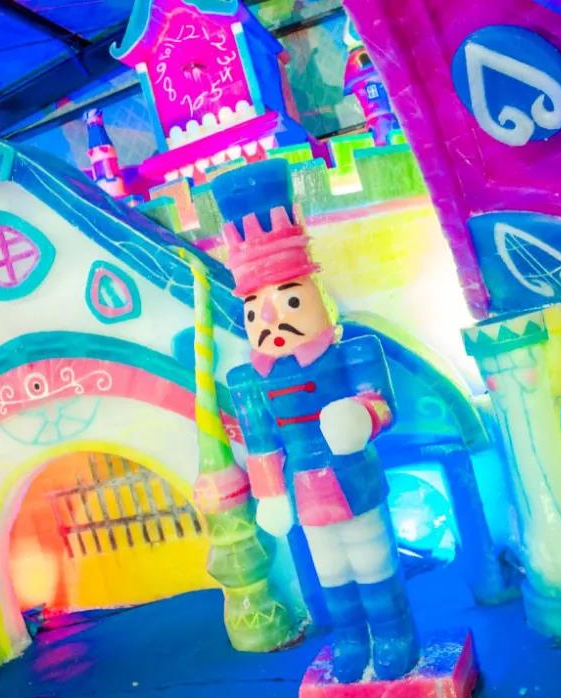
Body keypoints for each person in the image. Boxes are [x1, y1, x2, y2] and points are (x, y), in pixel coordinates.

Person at [212, 160, 418, 682]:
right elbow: (262, 441)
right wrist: (270, 493)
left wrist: (360, 417)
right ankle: (350, 640)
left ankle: (393, 633)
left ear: (314, 294)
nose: (272, 319)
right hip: (304, 490)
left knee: (372, 558)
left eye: (289, 300)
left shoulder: (355, 351)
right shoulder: (251, 381)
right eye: (255, 309)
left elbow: (381, 402)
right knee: (331, 569)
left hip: (353, 481)